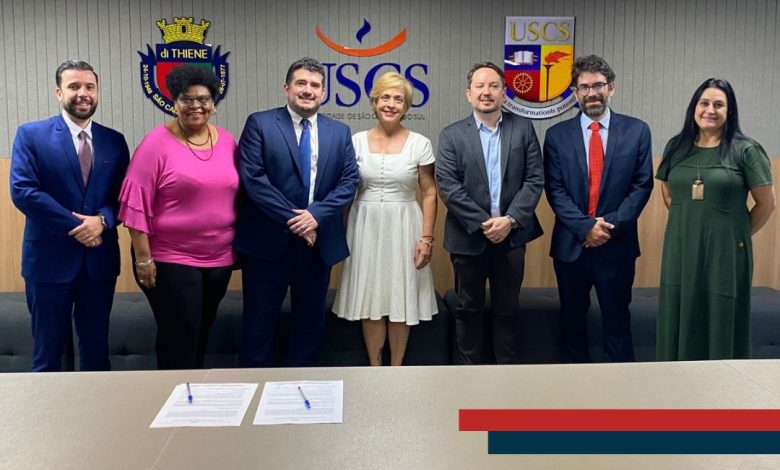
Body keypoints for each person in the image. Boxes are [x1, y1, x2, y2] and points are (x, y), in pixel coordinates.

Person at [235, 57, 359, 367]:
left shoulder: (339, 132)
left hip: (317, 246)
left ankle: (302, 390)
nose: (308, 90)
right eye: (301, 83)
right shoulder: (260, 123)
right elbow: (254, 179)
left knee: (309, 327)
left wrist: (315, 216)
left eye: (315, 85)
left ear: (323, 92)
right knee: (258, 328)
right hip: (267, 245)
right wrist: (299, 221)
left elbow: (349, 182)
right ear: (287, 88)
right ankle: (256, 388)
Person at [10, 60, 129, 371]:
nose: (82, 93)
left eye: (89, 86)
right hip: (49, 262)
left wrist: (102, 220)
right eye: (74, 86)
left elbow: (125, 197)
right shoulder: (31, 135)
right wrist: (81, 226)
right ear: (59, 92)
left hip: (98, 264)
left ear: (97, 91)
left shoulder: (115, 141)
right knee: (48, 356)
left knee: (96, 355)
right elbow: (23, 191)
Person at [118, 65, 239, 369]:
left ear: (213, 103)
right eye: (187, 99)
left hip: (219, 259)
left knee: (201, 332)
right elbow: (135, 204)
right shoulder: (155, 144)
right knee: (179, 334)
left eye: (204, 99)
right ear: (174, 102)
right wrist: (143, 259)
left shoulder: (227, 141)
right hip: (170, 257)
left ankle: (193, 391)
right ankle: (174, 393)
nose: (196, 106)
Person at [543, 54, 654, 363]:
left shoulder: (637, 131)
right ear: (575, 93)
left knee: (617, 326)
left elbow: (641, 186)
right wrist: (585, 227)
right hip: (571, 247)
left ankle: (622, 390)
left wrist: (606, 227)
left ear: (611, 87)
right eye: (584, 87)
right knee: (572, 326)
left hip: (616, 246)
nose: (591, 93)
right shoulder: (556, 136)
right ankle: (573, 390)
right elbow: (555, 190)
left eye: (598, 85)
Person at [656, 78, 775, 361]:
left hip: (726, 252)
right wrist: (690, 222)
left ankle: (721, 383)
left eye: (719, 104)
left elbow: (767, 204)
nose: (710, 110)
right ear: (694, 108)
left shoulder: (746, 150)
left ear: (729, 111)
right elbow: (668, 190)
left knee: (721, 314)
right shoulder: (676, 146)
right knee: (677, 310)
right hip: (680, 248)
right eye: (704, 103)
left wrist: (735, 234)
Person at [436, 62, 544, 365]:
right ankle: (468, 375)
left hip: (512, 237)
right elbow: (448, 185)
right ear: (468, 94)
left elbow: (534, 179)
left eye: (494, 86)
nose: (486, 92)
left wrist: (510, 221)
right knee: (467, 310)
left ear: (504, 93)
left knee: (507, 310)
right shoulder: (452, 135)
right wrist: (485, 224)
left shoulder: (522, 129)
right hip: (468, 237)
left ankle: (505, 375)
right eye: (480, 86)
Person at [332, 72, 438, 366]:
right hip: (364, 225)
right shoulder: (355, 142)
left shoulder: (420, 143)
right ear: (374, 101)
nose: (391, 104)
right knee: (371, 298)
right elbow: (346, 192)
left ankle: (396, 369)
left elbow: (429, 193)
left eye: (398, 99)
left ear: (406, 106)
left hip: (405, 226)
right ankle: (375, 369)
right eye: (385, 97)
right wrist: (340, 236)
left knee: (399, 296)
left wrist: (427, 239)